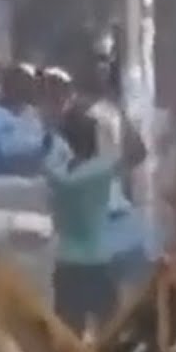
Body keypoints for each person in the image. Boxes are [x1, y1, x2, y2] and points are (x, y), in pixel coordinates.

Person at [44, 107, 143, 334]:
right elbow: (137, 153)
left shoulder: (54, 174)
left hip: (64, 261)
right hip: (97, 261)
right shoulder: (101, 169)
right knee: (110, 335)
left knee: (69, 337)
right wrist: (121, 111)